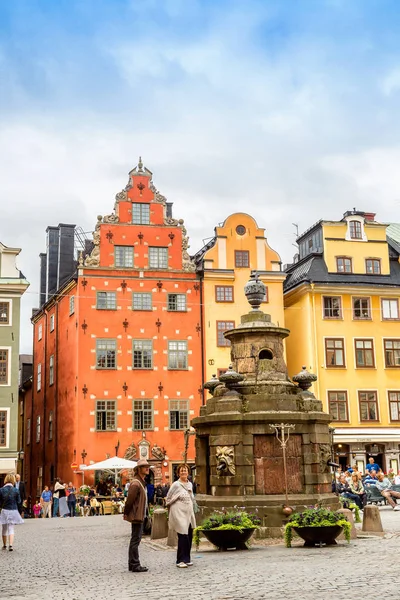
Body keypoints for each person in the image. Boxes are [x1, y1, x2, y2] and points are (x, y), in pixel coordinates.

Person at [166, 463, 196, 568]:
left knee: (189, 535)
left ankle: (187, 558)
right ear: (178, 473)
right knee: (183, 536)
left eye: (185, 470)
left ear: (188, 472)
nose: (184, 472)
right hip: (179, 513)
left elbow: (191, 498)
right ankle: (180, 560)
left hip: (188, 513)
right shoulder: (176, 485)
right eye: (182, 470)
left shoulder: (190, 484)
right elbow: (168, 498)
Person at [123, 458, 150, 573]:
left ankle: (132, 563)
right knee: (135, 539)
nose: (147, 468)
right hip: (137, 515)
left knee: (135, 539)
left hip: (139, 514)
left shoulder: (140, 482)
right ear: (139, 469)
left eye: (147, 466)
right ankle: (135, 564)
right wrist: (126, 512)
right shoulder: (135, 483)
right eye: (145, 467)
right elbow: (130, 500)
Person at [0, 474, 23, 551]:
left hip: (4, 510)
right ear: (13, 480)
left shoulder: (1, 490)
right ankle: (11, 545)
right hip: (13, 510)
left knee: (4, 528)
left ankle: (4, 545)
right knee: (11, 527)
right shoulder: (16, 490)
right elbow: (19, 501)